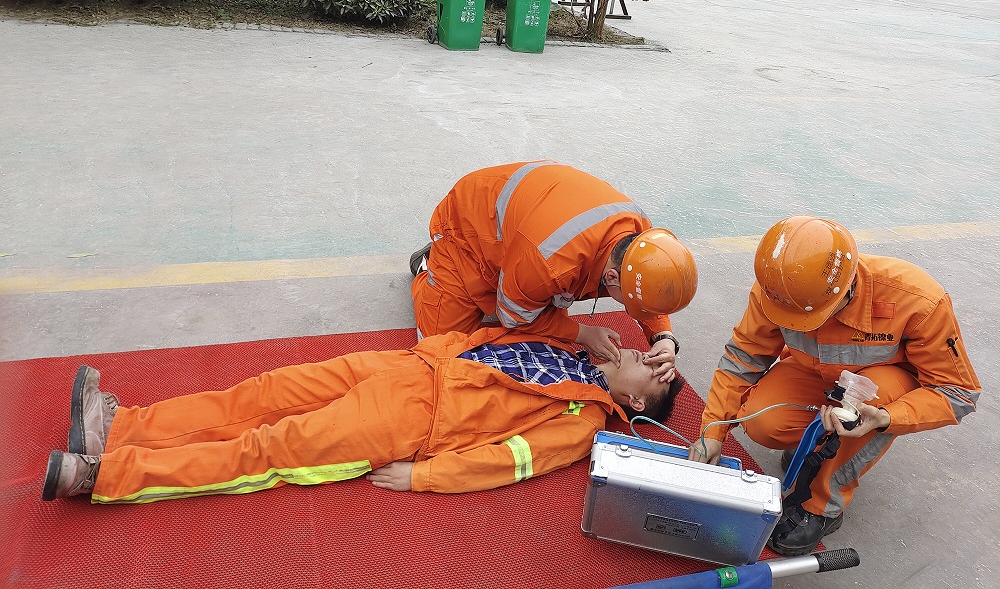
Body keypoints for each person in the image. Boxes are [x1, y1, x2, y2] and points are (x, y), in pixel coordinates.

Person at [42, 326, 684, 503]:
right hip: (408, 367)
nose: (642, 354)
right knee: (261, 394)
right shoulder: (577, 348)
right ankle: (119, 428)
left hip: (409, 424)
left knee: (267, 449)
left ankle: (105, 476)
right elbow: (519, 316)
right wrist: (583, 332)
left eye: (651, 371)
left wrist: (425, 477)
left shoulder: (584, 421)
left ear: (635, 402)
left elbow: (512, 462)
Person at [689, 216, 981, 556]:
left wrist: (888, 417)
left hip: (879, 388)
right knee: (763, 421)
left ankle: (821, 506)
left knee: (861, 410)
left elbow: (959, 392)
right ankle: (814, 447)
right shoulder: (779, 290)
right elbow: (744, 356)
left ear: (849, 286)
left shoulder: (917, 300)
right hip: (813, 373)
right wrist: (713, 431)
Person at [410, 161, 698, 384]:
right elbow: (513, 317)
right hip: (469, 226)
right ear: (611, 277)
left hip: (526, 239)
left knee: (543, 339)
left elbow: (652, 286)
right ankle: (431, 263)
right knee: (441, 354)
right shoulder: (552, 261)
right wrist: (582, 333)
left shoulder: (642, 239)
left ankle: (511, 277)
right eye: (631, 303)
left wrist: (663, 336)